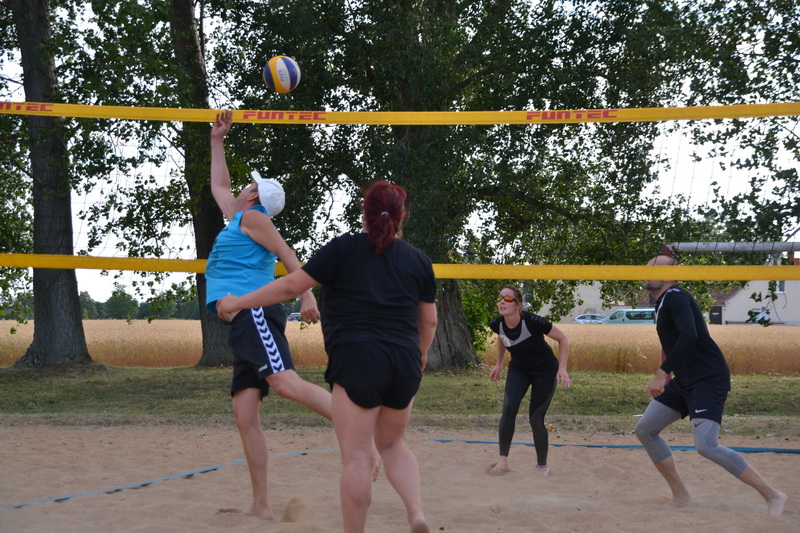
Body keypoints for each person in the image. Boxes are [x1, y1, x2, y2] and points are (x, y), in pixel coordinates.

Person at [217, 180, 437, 533]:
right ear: (402, 216)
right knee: (393, 442)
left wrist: (238, 301)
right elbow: (429, 321)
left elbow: (291, 286)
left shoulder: (343, 248)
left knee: (356, 455)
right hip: (405, 362)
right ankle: (417, 514)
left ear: (364, 213)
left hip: (358, 359)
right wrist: (421, 354)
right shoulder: (419, 260)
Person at [206, 110, 336, 521]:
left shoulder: (253, 217)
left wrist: (308, 294)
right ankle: (261, 505)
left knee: (285, 383)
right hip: (242, 321)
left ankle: (359, 430)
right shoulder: (238, 219)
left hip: (255, 312)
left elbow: (287, 253)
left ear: (254, 197)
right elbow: (219, 186)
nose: (242, 188)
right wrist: (217, 140)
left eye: (249, 186)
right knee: (245, 416)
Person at [634, 254, 787, 515]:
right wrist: (668, 374)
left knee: (706, 444)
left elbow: (690, 335)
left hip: (708, 378)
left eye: (653, 268)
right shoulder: (662, 302)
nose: (645, 272)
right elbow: (671, 340)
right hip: (685, 380)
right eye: (645, 267)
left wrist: (662, 372)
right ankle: (681, 496)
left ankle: (774, 495)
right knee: (645, 429)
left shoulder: (676, 297)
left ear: (671, 275)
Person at [487, 285, 571, 476]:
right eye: (500, 298)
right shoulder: (497, 323)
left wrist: (562, 368)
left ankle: (542, 466)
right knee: (509, 408)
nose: (502, 302)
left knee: (535, 418)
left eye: (508, 299)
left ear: (518, 304)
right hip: (519, 369)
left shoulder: (533, 321)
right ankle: (502, 461)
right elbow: (502, 337)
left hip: (545, 371)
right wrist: (499, 363)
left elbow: (563, 339)